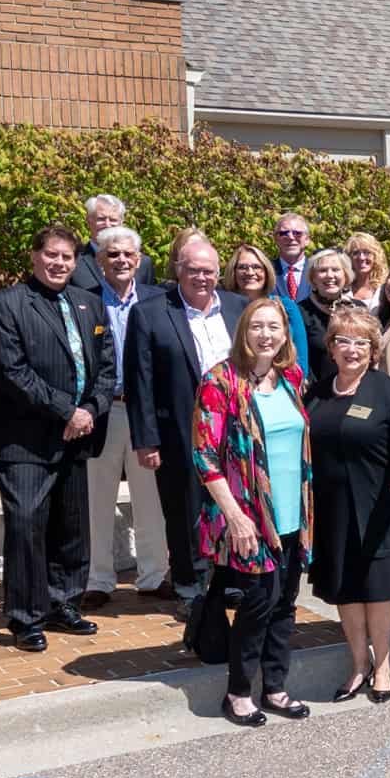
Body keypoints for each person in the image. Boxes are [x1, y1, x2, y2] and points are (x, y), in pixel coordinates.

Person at [0, 226, 115, 652]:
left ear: (77, 261)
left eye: (67, 257)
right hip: (24, 440)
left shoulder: (89, 304)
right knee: (27, 527)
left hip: (78, 434)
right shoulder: (7, 304)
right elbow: (13, 372)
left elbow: (107, 367)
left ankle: (62, 603)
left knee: (71, 527)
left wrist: (90, 409)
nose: (59, 263)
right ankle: (25, 617)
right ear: (34, 256)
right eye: (51, 255)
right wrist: (65, 410)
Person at [191, 298, 311, 726]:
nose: (266, 335)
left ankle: (275, 687)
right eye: (257, 326)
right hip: (248, 516)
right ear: (244, 331)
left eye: (274, 327)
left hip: (293, 514)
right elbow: (204, 456)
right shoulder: (220, 381)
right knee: (258, 602)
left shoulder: (291, 377)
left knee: (285, 603)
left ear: (284, 334)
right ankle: (238, 692)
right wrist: (236, 517)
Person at [305, 306, 390, 703]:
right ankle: (359, 664)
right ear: (331, 348)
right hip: (333, 511)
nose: (351, 349)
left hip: (379, 508)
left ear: (373, 350)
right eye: (343, 341)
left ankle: (383, 665)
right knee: (345, 591)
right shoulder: (316, 393)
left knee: (377, 591)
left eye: (361, 342)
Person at [124, 238, 245, 606]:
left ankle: (230, 580)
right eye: (193, 270)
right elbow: (139, 380)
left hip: (236, 430)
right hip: (179, 429)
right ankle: (190, 589)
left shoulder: (240, 307)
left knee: (234, 505)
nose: (201, 277)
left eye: (208, 270)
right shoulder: (150, 312)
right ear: (178, 269)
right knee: (185, 512)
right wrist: (146, 440)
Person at [81, 226, 164, 608]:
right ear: (100, 262)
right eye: (112, 255)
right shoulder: (85, 302)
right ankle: (98, 579)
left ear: (140, 259)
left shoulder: (158, 299)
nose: (121, 261)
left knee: (151, 497)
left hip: (145, 411)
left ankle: (154, 575)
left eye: (128, 254)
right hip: (104, 411)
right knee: (98, 497)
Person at [228, 244, 312, 371]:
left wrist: (299, 382)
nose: (250, 272)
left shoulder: (286, 306)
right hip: (236, 381)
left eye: (257, 267)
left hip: (281, 383)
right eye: (242, 267)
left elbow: (301, 355)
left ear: (266, 271)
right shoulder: (224, 306)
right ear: (233, 272)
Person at [72, 195, 157, 293]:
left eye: (113, 220)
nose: (107, 225)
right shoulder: (74, 261)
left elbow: (151, 301)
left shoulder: (144, 264)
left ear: (121, 222)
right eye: (101, 219)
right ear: (89, 220)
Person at [297, 249, 353, 381]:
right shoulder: (300, 312)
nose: (330, 275)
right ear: (313, 278)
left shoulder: (357, 309)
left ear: (345, 275)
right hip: (316, 393)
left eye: (335, 270)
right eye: (322, 271)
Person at [272, 213, 314, 301]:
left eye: (297, 233)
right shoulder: (265, 271)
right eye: (284, 233)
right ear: (276, 239)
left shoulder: (317, 270)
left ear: (307, 239)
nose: (291, 237)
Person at [344, 233, 388, 310]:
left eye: (367, 252)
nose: (361, 257)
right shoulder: (342, 287)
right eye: (356, 253)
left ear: (375, 256)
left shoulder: (385, 288)